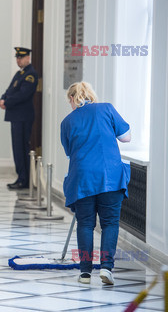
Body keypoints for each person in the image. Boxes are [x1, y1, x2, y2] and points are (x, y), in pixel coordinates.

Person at [60, 81, 131, 285]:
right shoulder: (107, 108)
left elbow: (68, 151)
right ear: (91, 95)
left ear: (72, 99)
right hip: (110, 177)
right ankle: (107, 269)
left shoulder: (67, 121)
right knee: (109, 224)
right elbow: (126, 138)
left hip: (82, 178)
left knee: (85, 224)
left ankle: (84, 272)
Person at [0, 47, 38, 189]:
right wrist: (2, 98)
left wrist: (6, 102)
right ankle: (21, 177)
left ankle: (24, 179)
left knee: (22, 148)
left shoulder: (30, 75)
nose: (18, 60)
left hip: (23, 116)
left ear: (28, 58)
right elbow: (9, 90)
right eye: (17, 57)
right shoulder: (19, 74)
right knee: (17, 148)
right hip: (15, 116)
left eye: (21, 57)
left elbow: (23, 95)